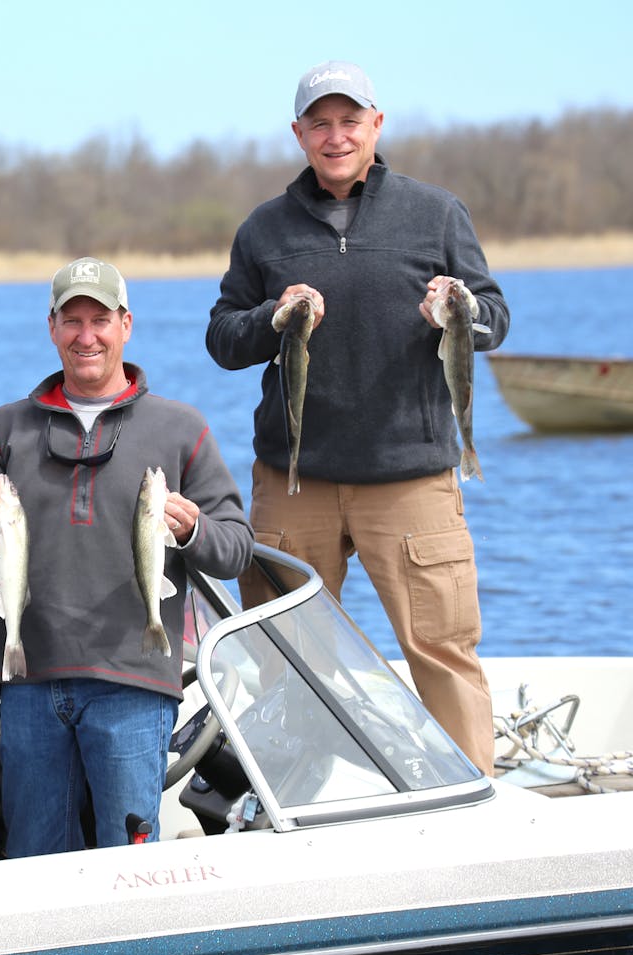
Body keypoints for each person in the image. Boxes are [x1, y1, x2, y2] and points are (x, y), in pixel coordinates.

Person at [206, 60, 509, 776]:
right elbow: (222, 336)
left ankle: (471, 811)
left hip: (412, 480)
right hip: (294, 482)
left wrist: (459, 306)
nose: (335, 135)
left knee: (441, 648)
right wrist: (270, 319)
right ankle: (293, 810)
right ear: (298, 133)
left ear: (377, 124)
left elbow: (494, 317)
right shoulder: (264, 229)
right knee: (284, 656)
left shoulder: (436, 212)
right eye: (320, 122)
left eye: (350, 120)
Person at [0, 257, 254, 857]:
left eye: (100, 320)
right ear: (52, 327)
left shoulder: (181, 429)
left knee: (130, 855)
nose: (87, 336)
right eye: (72, 320)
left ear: (126, 324)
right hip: (29, 683)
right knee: (34, 855)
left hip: (134, 683)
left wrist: (191, 531)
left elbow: (235, 549)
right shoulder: (2, 431)